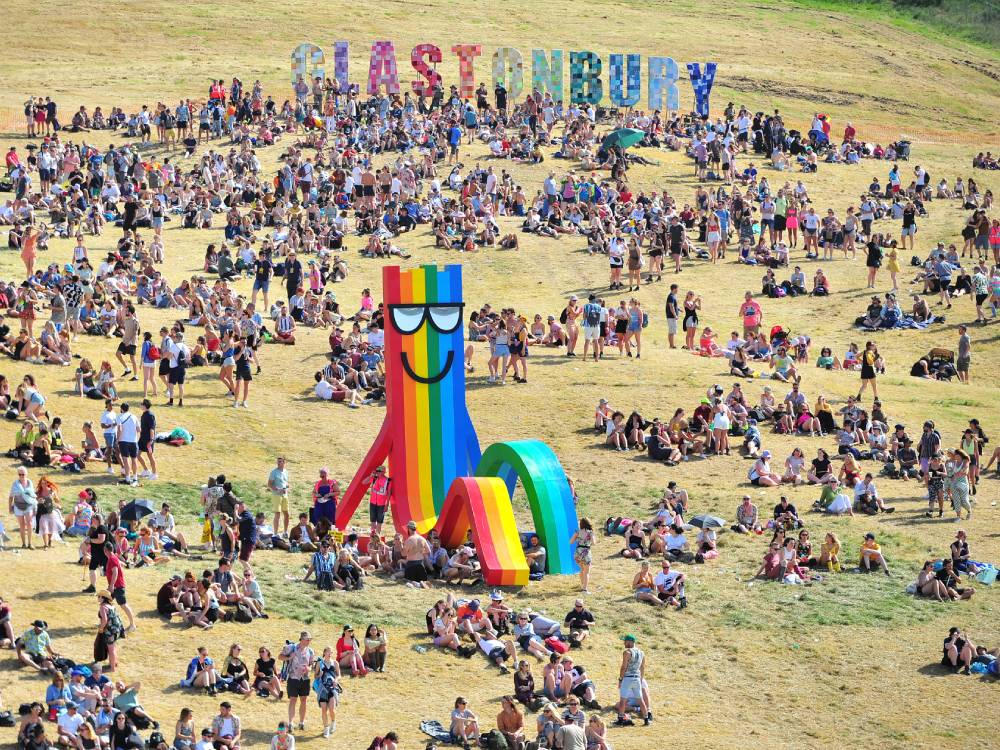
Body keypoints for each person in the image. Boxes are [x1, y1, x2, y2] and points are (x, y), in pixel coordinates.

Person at [279, 631, 315, 731]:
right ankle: (290, 723)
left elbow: (312, 664)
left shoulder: (310, 651)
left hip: (305, 679)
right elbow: (280, 657)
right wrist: (289, 657)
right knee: (293, 700)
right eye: (307, 639)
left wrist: (309, 668)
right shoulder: (291, 647)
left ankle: (301, 723)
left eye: (310, 640)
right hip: (293, 678)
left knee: (304, 700)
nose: (309, 641)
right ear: (302, 639)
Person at [615, 634, 649, 727]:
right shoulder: (641, 652)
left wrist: (620, 679)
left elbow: (623, 667)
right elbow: (642, 668)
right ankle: (646, 718)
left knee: (623, 700)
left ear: (630, 642)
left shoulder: (627, 652)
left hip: (627, 678)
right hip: (637, 678)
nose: (624, 643)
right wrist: (640, 679)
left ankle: (620, 719)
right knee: (640, 700)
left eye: (625, 641)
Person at [313, 647, 341, 736]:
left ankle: (333, 722)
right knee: (324, 710)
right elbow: (315, 676)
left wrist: (336, 680)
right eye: (328, 652)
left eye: (331, 652)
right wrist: (319, 674)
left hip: (332, 689)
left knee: (332, 710)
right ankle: (326, 729)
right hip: (322, 689)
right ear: (324, 653)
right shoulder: (319, 663)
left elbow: (339, 675)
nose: (330, 653)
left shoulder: (335, 663)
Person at [95, 590, 126, 672]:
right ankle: (115, 663)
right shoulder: (112, 606)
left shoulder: (103, 607)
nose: (98, 598)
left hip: (110, 631)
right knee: (113, 647)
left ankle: (112, 668)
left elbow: (104, 620)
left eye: (99, 596)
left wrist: (101, 628)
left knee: (111, 649)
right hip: (117, 629)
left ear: (103, 598)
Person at [9, 466, 37, 549]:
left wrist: (35, 506)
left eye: (23, 474)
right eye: (20, 474)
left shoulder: (30, 483)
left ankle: (30, 543)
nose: (21, 476)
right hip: (18, 506)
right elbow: (11, 496)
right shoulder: (15, 484)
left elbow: (33, 495)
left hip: (28, 506)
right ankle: (23, 544)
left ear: (26, 474)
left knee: (29, 524)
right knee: (22, 525)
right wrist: (10, 507)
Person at [568, 518, 595, 593]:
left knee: (582, 570)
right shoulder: (590, 532)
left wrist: (579, 540)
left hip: (578, 553)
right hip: (586, 553)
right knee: (586, 572)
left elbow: (571, 542)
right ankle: (585, 589)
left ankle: (583, 585)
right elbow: (594, 543)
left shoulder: (577, 532)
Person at [267, 457, 290, 537]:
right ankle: (276, 533)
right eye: (278, 462)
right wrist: (278, 489)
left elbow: (285, 482)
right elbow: (269, 484)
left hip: (285, 495)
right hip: (276, 495)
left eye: (280, 462)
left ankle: (285, 532)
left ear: (284, 462)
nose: (278, 463)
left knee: (287, 514)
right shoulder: (274, 472)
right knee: (278, 514)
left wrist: (287, 486)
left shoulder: (286, 472)